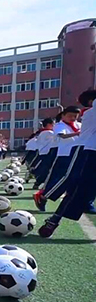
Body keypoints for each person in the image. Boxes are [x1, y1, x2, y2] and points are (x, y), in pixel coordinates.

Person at [39, 90, 96, 236]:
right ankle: (51, 212)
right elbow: (62, 136)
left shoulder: (80, 121)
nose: (74, 118)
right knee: (73, 183)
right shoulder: (90, 113)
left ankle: (85, 202)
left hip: (79, 151)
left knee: (79, 185)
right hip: (86, 150)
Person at [34, 106, 81, 211]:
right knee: (58, 177)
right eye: (70, 116)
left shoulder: (79, 125)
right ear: (63, 115)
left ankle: (67, 199)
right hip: (64, 154)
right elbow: (62, 136)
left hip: (78, 154)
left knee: (74, 178)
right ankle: (43, 195)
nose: (73, 118)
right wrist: (78, 133)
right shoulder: (60, 125)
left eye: (75, 116)